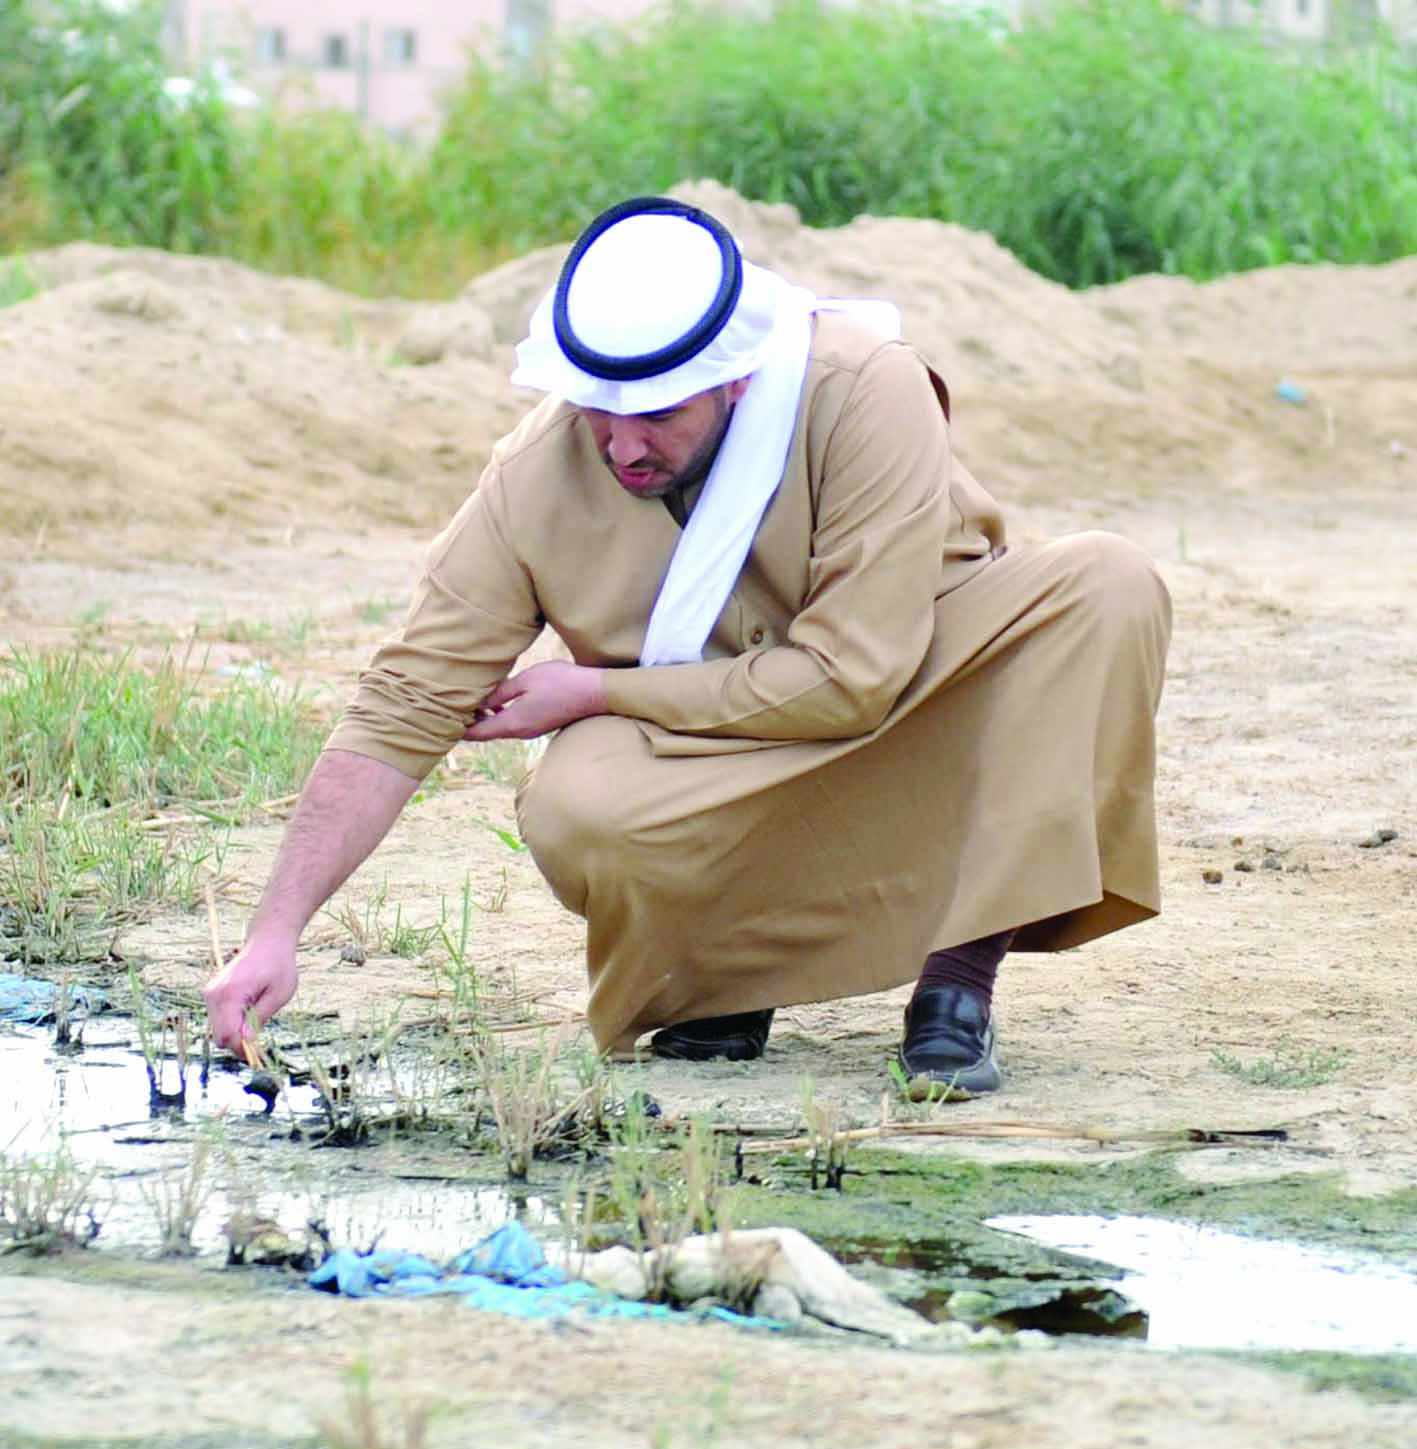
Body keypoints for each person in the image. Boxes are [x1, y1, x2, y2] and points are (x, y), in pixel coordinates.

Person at [205, 194, 1171, 1091]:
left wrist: (598, 692)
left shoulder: (860, 388)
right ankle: (722, 975)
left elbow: (853, 681)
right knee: (578, 806)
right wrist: (274, 932)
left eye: (659, 415)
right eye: (601, 412)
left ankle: (956, 979)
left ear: (736, 380)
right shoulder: (536, 473)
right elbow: (404, 703)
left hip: (917, 696)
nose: (623, 447)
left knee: (1107, 584)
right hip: (719, 747)